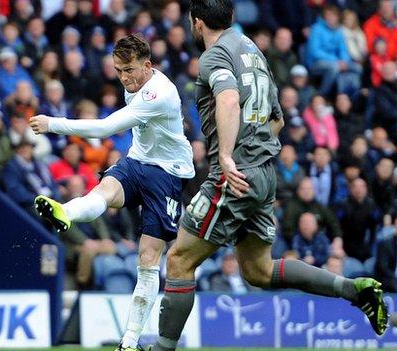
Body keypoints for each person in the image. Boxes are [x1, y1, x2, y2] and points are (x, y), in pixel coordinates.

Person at [151, 3, 387, 350]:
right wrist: (255, 153)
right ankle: (353, 290)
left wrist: (229, 156)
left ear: (196, 22)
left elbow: (228, 100)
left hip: (235, 173)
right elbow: (276, 119)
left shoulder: (214, 56)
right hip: (263, 173)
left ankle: (161, 348)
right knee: (258, 271)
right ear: (230, 18)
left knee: (179, 259)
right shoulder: (254, 52)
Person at [29, 34, 195, 351]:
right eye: (119, 70)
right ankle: (66, 212)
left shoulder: (159, 93)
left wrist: (54, 124)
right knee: (104, 190)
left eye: (129, 70)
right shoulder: (133, 82)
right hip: (137, 160)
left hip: (169, 174)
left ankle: (129, 341)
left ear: (148, 66)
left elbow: (106, 128)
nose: (124, 78)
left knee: (147, 260)